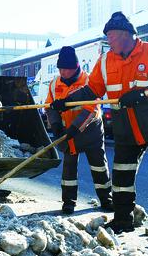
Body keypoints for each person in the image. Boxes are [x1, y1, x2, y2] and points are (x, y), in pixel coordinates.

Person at [51, 11, 148, 246]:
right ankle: (123, 219)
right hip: (126, 130)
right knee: (122, 179)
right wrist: (67, 101)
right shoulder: (105, 61)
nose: (108, 40)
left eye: (111, 36)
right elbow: (93, 90)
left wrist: (142, 95)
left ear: (126, 34)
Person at [45, 46, 113, 215]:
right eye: (60, 69)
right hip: (67, 132)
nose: (61, 72)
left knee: (98, 166)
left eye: (65, 69)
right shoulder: (55, 83)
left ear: (75, 67)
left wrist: (76, 127)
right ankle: (68, 202)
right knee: (68, 168)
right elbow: (49, 106)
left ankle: (106, 198)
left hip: (90, 132)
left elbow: (92, 108)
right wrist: (56, 126)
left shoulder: (90, 81)